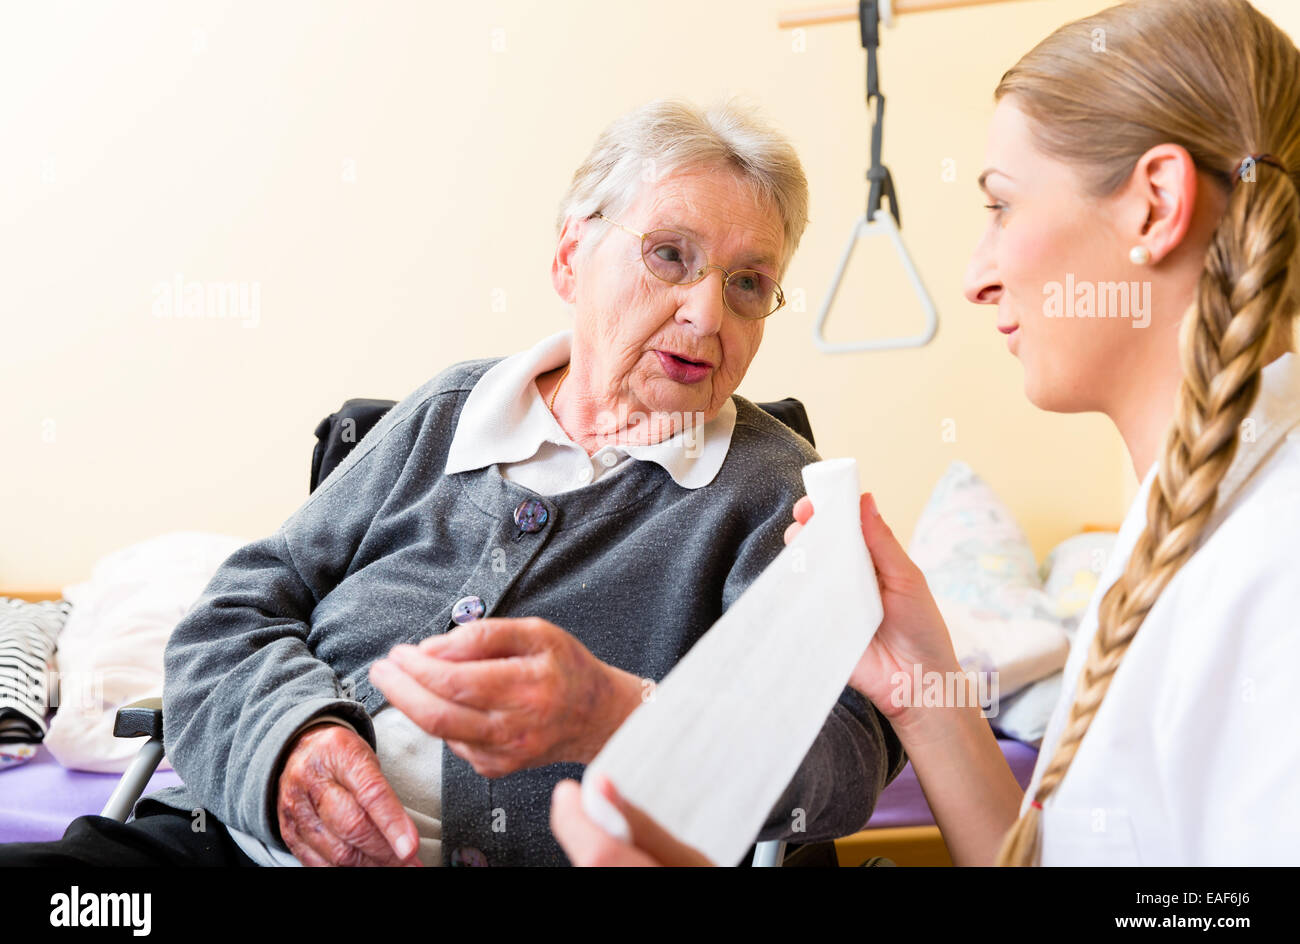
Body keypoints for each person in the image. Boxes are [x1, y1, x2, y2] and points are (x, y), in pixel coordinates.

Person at [0, 98, 903, 868]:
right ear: (568, 259)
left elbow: (845, 756)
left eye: (750, 282)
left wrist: (624, 715)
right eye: (669, 253)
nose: (708, 311)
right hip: (245, 848)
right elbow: (233, 614)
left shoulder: (771, 489)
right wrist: (291, 741)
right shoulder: (449, 411)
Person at [550, 0, 1300, 866]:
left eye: (1001, 207)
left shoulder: (1272, 562)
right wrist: (923, 693)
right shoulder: (1183, 530)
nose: (977, 277)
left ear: (1155, 206)